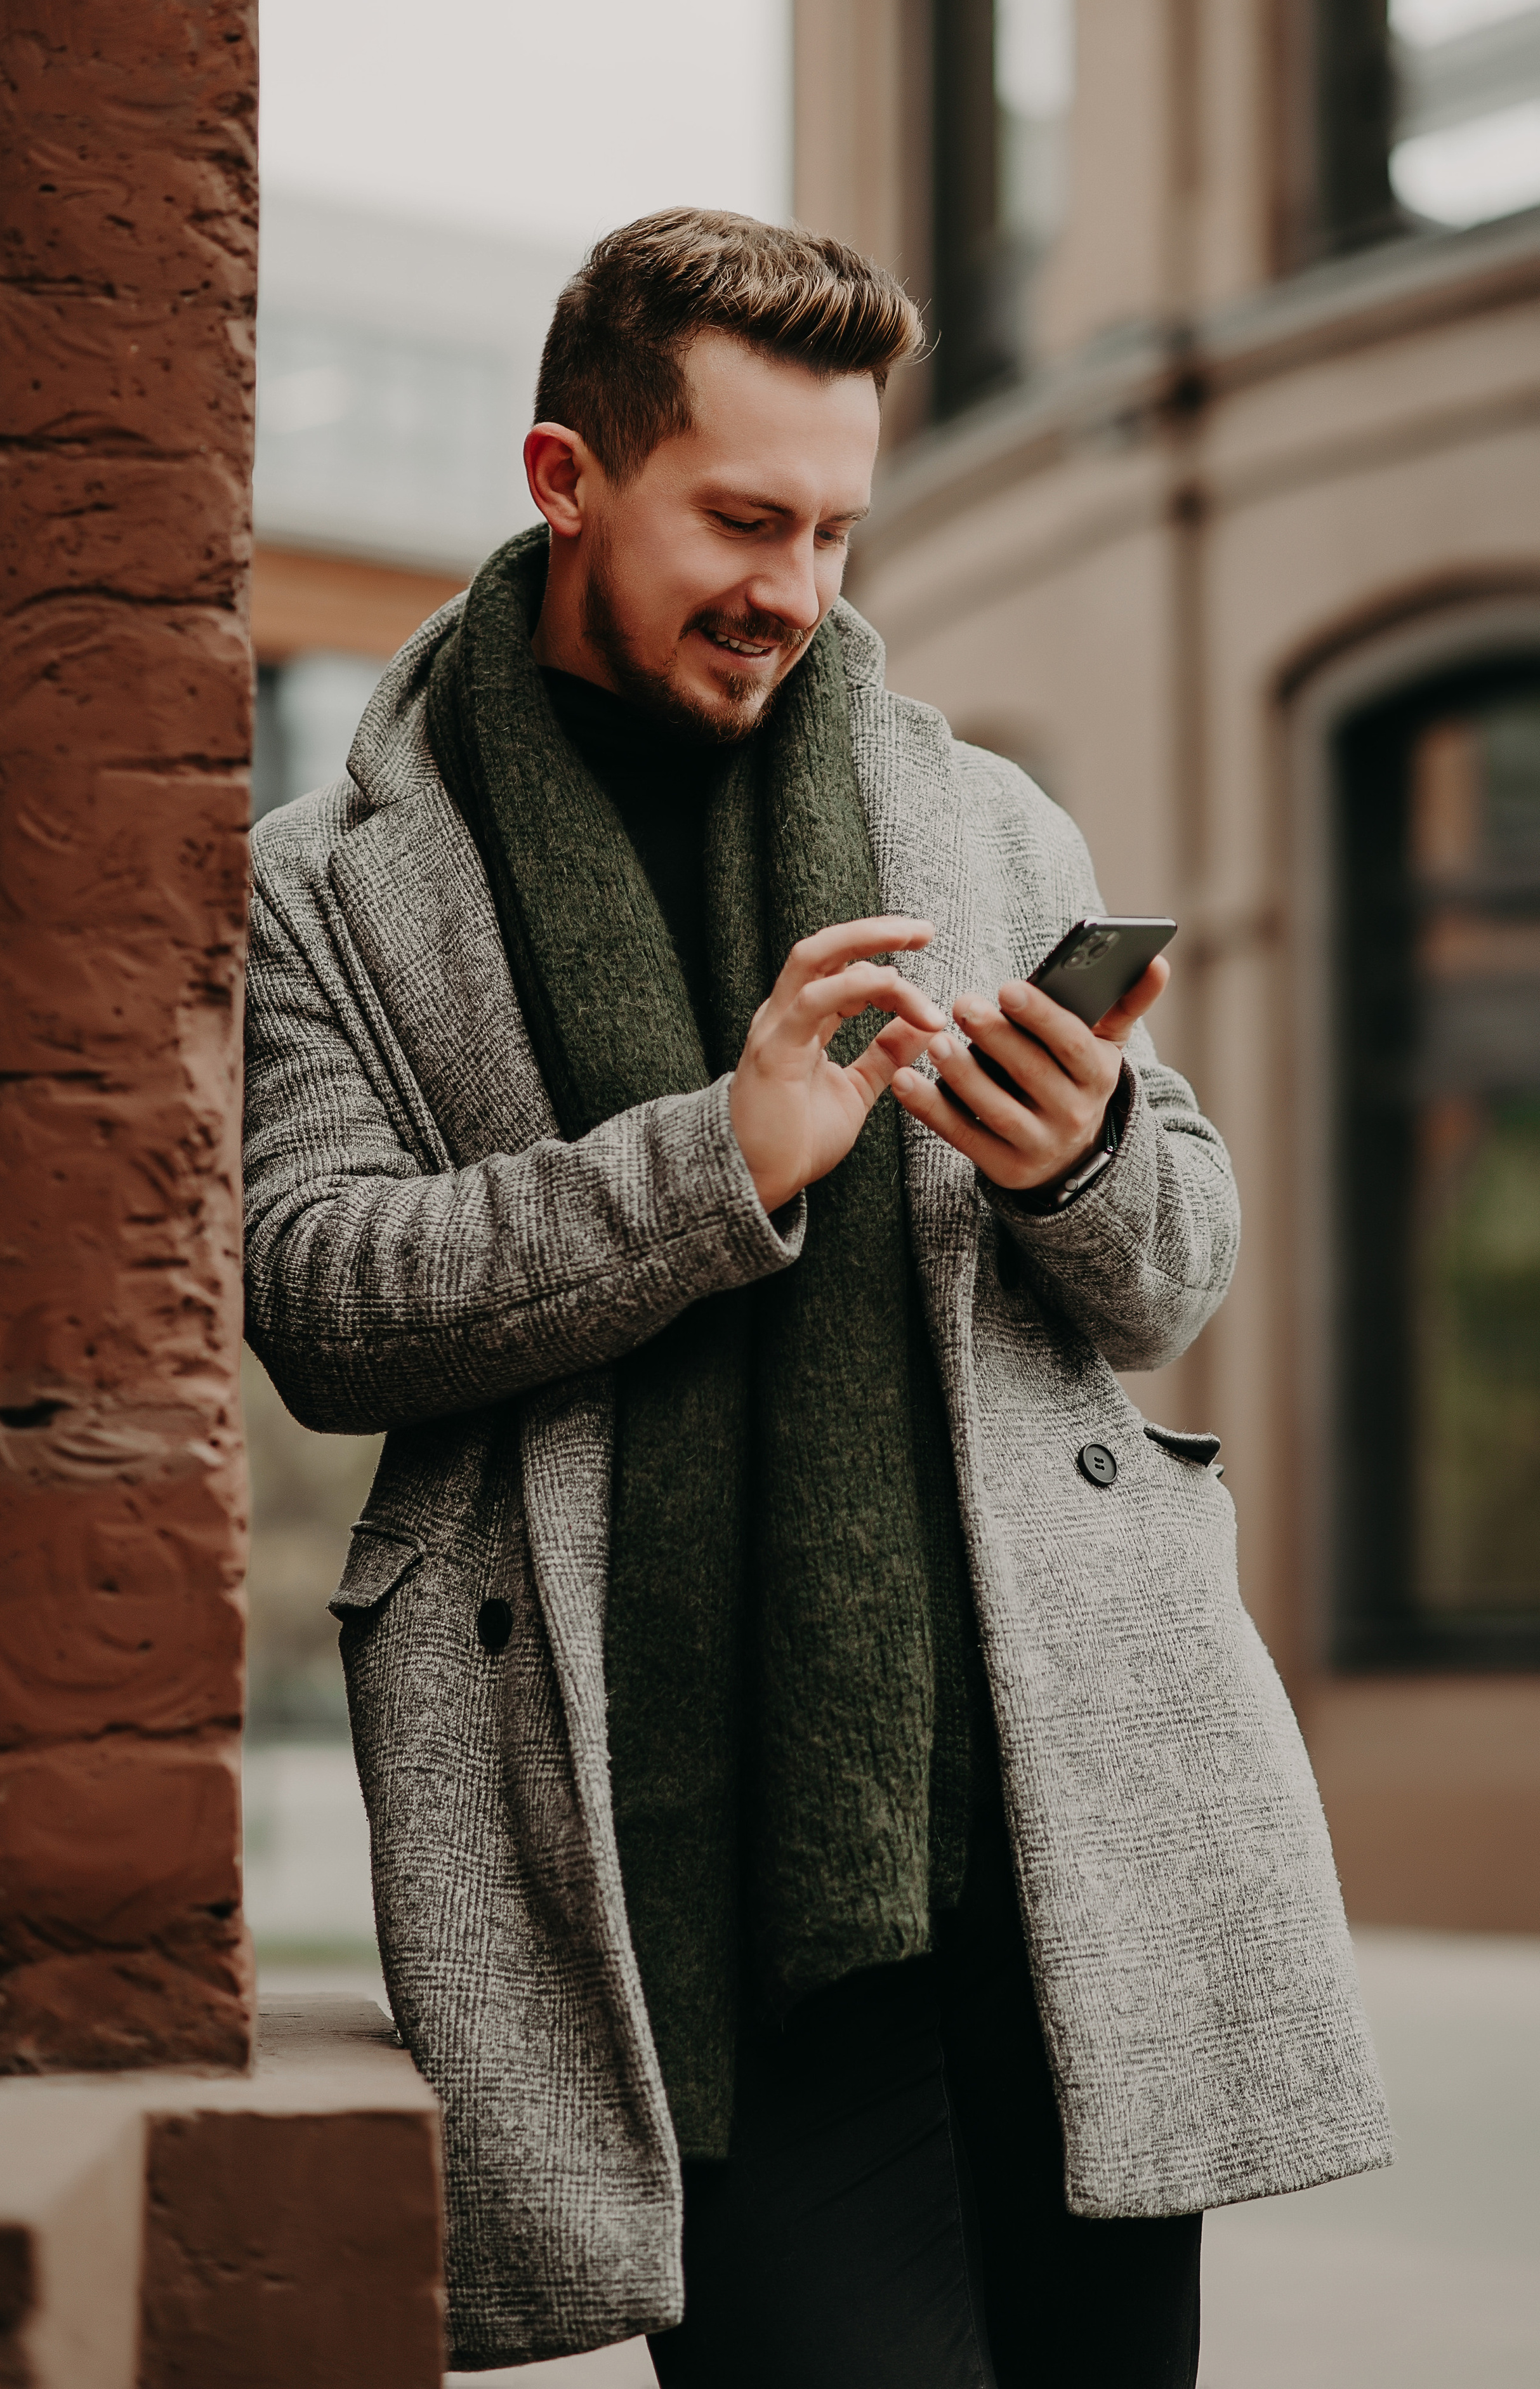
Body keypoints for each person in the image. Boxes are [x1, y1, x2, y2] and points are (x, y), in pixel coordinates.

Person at [242, 210, 1390, 2386]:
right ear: (566, 476)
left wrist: (1081, 1156)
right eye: (743, 518)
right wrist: (713, 1163)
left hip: (1053, 1849)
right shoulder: (337, 885)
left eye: (839, 530)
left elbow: (1168, 1280)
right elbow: (316, 1296)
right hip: (684, 1886)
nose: (795, 588)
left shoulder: (981, 822)